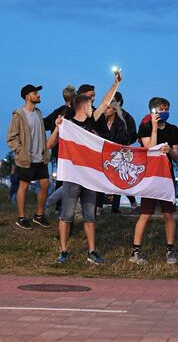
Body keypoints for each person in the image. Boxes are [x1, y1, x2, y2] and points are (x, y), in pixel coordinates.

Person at [46, 72, 122, 264]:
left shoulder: (91, 121)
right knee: (67, 215)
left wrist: (116, 84)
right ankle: (63, 251)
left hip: (89, 178)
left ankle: (92, 251)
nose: (93, 108)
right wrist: (57, 127)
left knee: (90, 216)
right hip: (72, 177)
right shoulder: (68, 124)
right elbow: (49, 144)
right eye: (90, 105)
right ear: (83, 106)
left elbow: (105, 102)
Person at [129, 97, 178, 264]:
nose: (164, 111)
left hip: (166, 175)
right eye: (161, 108)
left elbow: (176, 156)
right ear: (153, 111)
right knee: (145, 213)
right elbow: (148, 149)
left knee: (168, 214)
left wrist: (168, 151)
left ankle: (170, 249)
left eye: (166, 108)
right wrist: (153, 128)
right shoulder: (144, 127)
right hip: (150, 175)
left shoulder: (173, 130)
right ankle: (136, 250)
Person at [7, 84, 52, 229]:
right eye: (35, 93)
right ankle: (21, 218)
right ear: (27, 96)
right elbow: (11, 137)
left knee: (45, 184)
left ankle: (39, 215)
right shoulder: (19, 115)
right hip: (26, 158)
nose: (38, 95)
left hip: (40, 157)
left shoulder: (38, 113)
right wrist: (20, 151)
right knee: (24, 186)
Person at [43, 85, 77, 213]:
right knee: (70, 180)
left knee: (62, 178)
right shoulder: (75, 112)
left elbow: (44, 123)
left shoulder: (56, 112)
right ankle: (55, 204)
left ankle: (57, 206)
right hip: (70, 151)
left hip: (58, 151)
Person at [96, 100, 129, 213]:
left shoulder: (120, 124)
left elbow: (120, 141)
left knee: (116, 181)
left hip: (116, 157)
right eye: (105, 107)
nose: (105, 110)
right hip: (103, 155)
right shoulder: (101, 122)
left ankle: (115, 208)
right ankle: (99, 206)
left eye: (108, 108)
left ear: (115, 110)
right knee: (100, 180)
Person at [114, 91, 138, 211]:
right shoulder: (104, 115)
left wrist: (125, 143)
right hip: (110, 152)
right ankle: (100, 207)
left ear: (119, 101)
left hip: (123, 152)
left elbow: (134, 134)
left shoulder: (127, 117)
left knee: (120, 178)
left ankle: (120, 206)